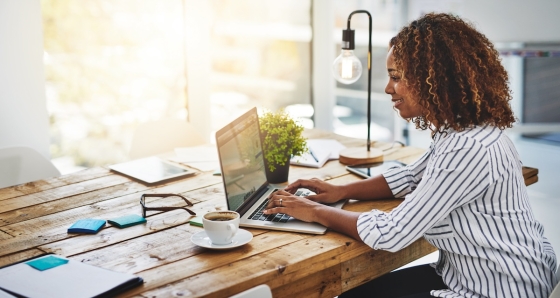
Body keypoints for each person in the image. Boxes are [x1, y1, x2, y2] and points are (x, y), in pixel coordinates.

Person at [264, 12, 559, 298]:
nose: (388, 88)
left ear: (434, 79)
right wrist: (340, 190)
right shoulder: (460, 131)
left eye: (396, 77)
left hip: (498, 289)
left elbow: (392, 233)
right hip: (471, 273)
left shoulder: (468, 147)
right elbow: (409, 177)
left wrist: (312, 211)